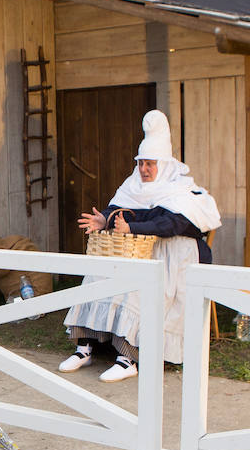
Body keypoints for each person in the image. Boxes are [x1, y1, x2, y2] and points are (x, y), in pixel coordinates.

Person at [60, 110, 221, 382]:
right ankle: (84, 348)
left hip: (176, 254)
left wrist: (131, 225)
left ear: (164, 165)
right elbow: (118, 212)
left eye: (150, 164)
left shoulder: (181, 190)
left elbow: (170, 224)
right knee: (94, 278)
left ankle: (128, 358)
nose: (144, 170)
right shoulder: (133, 185)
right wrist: (105, 220)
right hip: (138, 251)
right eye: (142, 163)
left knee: (137, 291)